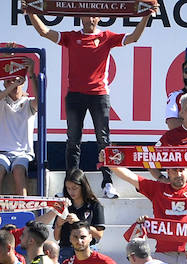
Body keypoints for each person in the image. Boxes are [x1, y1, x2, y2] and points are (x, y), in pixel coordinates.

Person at [27, 11, 152, 197]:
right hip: (75, 95)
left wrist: (146, 16)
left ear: (100, 17)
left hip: (99, 95)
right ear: (80, 17)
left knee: (103, 140)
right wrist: (30, 12)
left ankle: (108, 182)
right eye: (87, 16)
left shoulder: (106, 37)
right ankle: (70, 186)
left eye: (94, 16)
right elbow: (44, 32)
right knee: (73, 141)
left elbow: (134, 37)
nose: (90, 19)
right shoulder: (72, 37)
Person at [0, 57, 37, 193]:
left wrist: (31, 73)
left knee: (18, 171)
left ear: (23, 82)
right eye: (9, 81)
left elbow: (40, 101)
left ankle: (22, 212)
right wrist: (12, 83)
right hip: (2, 152)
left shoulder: (28, 102)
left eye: (17, 81)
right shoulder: (2, 99)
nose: (14, 85)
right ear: (4, 84)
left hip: (22, 153)